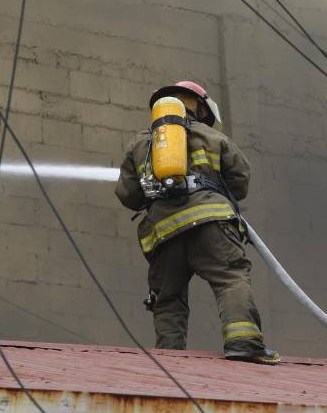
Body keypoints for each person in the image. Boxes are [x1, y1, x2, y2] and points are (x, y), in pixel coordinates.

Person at [116, 81, 279, 365]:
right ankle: (243, 342)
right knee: (230, 279)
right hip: (211, 224)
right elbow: (240, 181)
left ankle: (169, 359)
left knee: (168, 300)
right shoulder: (213, 137)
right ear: (199, 106)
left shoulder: (141, 144)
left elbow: (128, 195)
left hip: (163, 233)